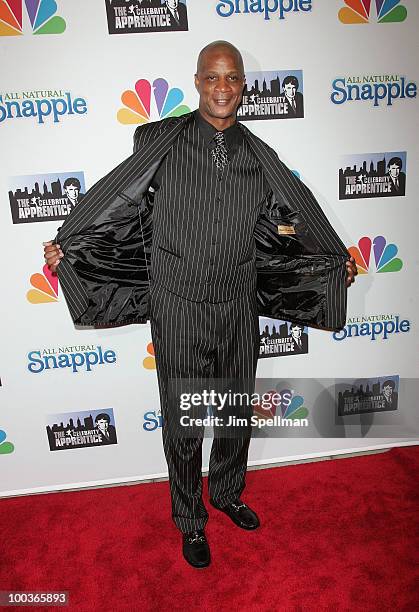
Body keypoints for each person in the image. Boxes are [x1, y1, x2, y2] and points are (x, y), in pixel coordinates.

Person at [44, 40, 357, 569]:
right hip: (179, 305)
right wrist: (71, 243)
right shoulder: (161, 142)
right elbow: (116, 201)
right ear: (196, 81)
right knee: (184, 420)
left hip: (237, 304)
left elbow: (286, 227)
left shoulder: (260, 156)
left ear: (243, 85)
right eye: (212, 78)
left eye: (232, 78)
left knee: (235, 412)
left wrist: (331, 261)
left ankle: (227, 492)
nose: (222, 88)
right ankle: (189, 519)